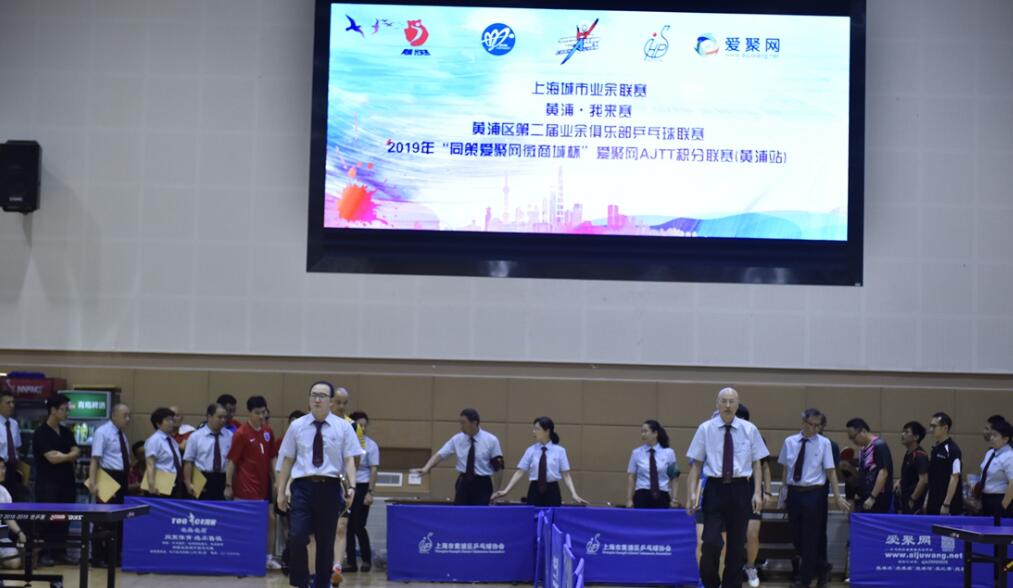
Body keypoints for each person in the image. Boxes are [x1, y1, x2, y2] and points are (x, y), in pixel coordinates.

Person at [277, 381, 362, 588]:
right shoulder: (297, 426)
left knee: (325, 541)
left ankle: (322, 584)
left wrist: (352, 487)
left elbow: (349, 459)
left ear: (330, 401)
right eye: (313, 395)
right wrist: (280, 492)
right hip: (302, 487)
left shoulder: (343, 427)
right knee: (298, 535)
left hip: (330, 488)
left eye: (322, 396)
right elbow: (287, 460)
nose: (317, 399)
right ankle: (301, 582)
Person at [686, 387, 769, 588]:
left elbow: (757, 464)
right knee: (710, 542)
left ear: (737, 405)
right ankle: (711, 582)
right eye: (724, 401)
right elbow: (696, 465)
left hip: (741, 489)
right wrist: (691, 495)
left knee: (736, 546)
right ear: (717, 404)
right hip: (714, 489)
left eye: (732, 401)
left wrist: (757, 493)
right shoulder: (705, 428)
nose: (728, 405)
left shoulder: (750, 429)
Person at [779, 409, 850, 588]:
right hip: (794, 493)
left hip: (814, 494)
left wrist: (837, 496)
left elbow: (831, 472)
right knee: (796, 536)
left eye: (817, 426)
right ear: (803, 422)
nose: (813, 428)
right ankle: (822, 565)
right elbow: (786, 469)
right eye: (810, 424)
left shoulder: (824, 443)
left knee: (810, 538)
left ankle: (804, 581)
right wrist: (783, 493)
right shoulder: (789, 441)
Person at [227, 395, 280, 570]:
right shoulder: (241, 434)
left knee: (271, 520)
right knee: (246, 523)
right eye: (257, 413)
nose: (261, 416)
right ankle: (243, 557)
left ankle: (268, 557)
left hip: (264, 485)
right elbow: (232, 462)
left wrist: (276, 480)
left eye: (263, 412)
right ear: (249, 412)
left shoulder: (268, 432)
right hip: (246, 486)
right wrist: (228, 485)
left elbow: (272, 458)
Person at [414, 408, 504, 505]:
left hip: (482, 483)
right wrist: (426, 468)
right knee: (460, 511)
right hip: (463, 482)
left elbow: (498, 468)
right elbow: (440, 454)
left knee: (480, 513)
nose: (461, 426)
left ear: (474, 423)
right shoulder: (457, 439)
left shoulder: (491, 440)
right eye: (460, 423)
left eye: (464, 423)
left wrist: (496, 491)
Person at [492, 416, 588, 507]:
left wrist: (574, 494)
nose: (534, 432)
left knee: (551, 516)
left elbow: (566, 475)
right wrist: (506, 490)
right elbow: (519, 472)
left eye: (537, 429)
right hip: (535, 489)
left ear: (547, 431)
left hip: (552, 490)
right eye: (534, 429)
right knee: (533, 516)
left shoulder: (560, 451)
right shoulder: (530, 450)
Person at [33, 393, 80, 566]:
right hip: (48, 484)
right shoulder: (41, 433)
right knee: (48, 519)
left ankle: (61, 552)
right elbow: (52, 458)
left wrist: (64, 456)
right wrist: (69, 456)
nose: (67, 412)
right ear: (53, 410)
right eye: (64, 409)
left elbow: (77, 451)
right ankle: (45, 553)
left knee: (64, 518)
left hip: (67, 482)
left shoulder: (66, 432)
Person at [87, 402, 132, 567]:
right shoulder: (102, 432)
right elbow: (95, 459)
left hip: (121, 478)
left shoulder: (122, 435)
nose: (128, 419)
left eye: (129, 416)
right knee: (103, 519)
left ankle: (113, 555)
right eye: (125, 416)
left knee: (119, 518)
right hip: (107, 476)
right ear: (113, 415)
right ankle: (98, 556)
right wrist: (93, 482)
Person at [330, 387, 366, 584]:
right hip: (323, 481)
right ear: (331, 402)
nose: (341, 406)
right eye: (338, 402)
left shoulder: (353, 427)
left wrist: (350, 482)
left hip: (343, 483)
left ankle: (337, 566)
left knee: (341, 526)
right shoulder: (322, 423)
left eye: (345, 403)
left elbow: (357, 458)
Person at [736, 404, 771, 588]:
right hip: (731, 490)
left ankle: (750, 566)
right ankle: (731, 568)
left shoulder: (755, 436)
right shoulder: (721, 436)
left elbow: (764, 466)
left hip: (752, 489)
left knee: (752, 533)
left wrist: (767, 491)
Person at [345, 411, 380, 572]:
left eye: (365, 426)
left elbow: (374, 470)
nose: (363, 429)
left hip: (363, 486)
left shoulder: (371, 445)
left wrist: (370, 492)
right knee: (347, 525)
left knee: (359, 525)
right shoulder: (345, 442)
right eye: (360, 426)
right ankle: (351, 562)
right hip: (347, 486)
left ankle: (366, 559)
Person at [183, 403, 233, 500]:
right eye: (220, 417)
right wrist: (188, 483)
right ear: (209, 417)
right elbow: (188, 462)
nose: (223, 420)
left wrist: (229, 484)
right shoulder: (196, 436)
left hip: (223, 478)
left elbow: (232, 462)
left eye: (225, 417)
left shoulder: (230, 436)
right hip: (202, 478)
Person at [625, 419, 679, 508]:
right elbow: (631, 477)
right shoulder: (636, 453)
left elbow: (674, 477)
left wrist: (674, 499)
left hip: (662, 494)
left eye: (645, 431)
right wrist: (629, 499)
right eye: (641, 432)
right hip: (641, 494)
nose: (643, 434)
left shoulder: (669, 453)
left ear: (655, 433)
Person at [845, 418, 892, 513]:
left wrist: (872, 497)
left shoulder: (879, 446)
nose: (853, 441)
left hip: (877, 498)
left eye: (853, 437)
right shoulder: (863, 449)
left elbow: (883, 473)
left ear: (863, 431)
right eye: (850, 438)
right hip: (866, 497)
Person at [925, 412, 963, 515]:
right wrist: (927, 499)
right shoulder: (935, 448)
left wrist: (946, 504)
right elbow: (932, 476)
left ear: (945, 428)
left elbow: (955, 477)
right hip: (933, 501)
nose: (931, 429)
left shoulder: (953, 450)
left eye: (934, 426)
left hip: (947, 504)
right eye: (930, 426)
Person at [145, 407, 186, 498]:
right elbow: (150, 463)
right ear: (158, 424)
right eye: (168, 420)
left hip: (174, 482)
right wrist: (151, 484)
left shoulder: (172, 440)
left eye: (172, 419)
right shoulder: (154, 440)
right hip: (160, 484)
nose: (172, 422)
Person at [977, 419, 1013, 520]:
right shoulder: (990, 453)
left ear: (1005, 438)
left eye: (995, 435)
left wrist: (1003, 506)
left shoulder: (1009, 456)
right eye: (991, 434)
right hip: (986, 498)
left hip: (1000, 499)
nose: (991, 438)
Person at [894, 421, 929, 514]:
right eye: (903, 432)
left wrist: (912, 499)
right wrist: (900, 481)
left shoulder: (920, 456)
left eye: (906, 432)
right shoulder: (909, 453)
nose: (902, 434)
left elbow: (924, 480)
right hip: (904, 499)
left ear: (916, 437)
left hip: (914, 503)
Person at [0, 458, 26, 571]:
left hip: (1, 537)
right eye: (0, 468)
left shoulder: (3, 492)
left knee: (15, 562)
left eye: (4, 467)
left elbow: (8, 517)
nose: (4, 471)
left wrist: (20, 533)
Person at [0, 390, 24, 501]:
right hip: (1, 467)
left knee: (13, 499)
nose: (12, 406)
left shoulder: (14, 424)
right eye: (8, 403)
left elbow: (17, 447)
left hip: (13, 468)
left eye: (13, 402)